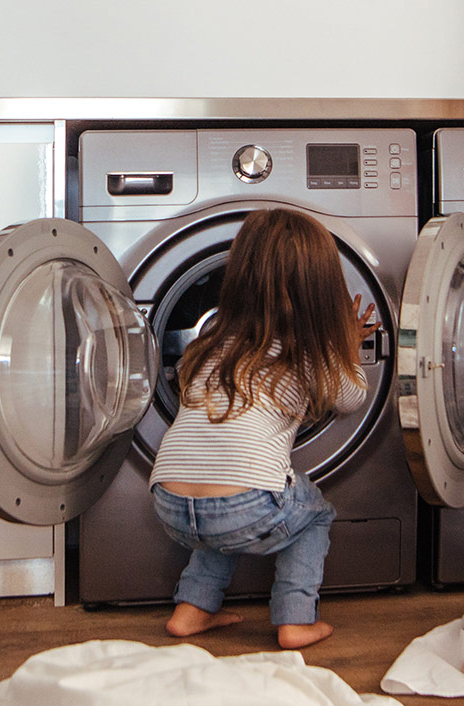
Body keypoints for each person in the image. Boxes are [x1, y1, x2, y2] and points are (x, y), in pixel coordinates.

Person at [148, 208, 377, 650]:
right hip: (245, 506)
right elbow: (352, 398)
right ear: (321, 290)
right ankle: (295, 620)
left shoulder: (213, 336)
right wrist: (346, 345)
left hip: (168, 502)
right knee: (313, 515)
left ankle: (190, 610)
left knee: (222, 500)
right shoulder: (309, 350)